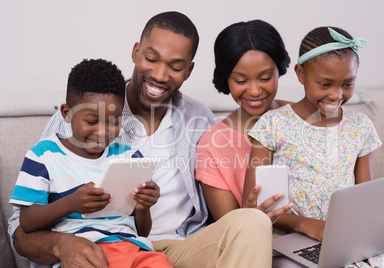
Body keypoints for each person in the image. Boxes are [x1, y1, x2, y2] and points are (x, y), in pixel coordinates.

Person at [8, 12, 279, 268]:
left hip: (180, 247)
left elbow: (252, 116)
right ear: (136, 52)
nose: (160, 75)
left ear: (189, 70)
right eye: (152, 59)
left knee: (252, 221)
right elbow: (19, 228)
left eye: (175, 66)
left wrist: (297, 108)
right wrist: (60, 245)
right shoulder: (79, 115)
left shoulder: (199, 119)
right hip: (99, 246)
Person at [244, 26, 384, 267]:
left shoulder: (360, 126)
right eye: (325, 84)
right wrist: (307, 224)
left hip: (346, 239)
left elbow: (367, 199)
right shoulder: (272, 125)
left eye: (347, 85)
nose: (336, 95)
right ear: (300, 74)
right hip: (290, 238)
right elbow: (253, 204)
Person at [9, 58, 173, 268]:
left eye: (114, 121)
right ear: (67, 113)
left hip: (133, 249)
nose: (103, 132)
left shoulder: (129, 157)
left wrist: (142, 208)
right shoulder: (43, 156)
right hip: (83, 255)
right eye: (92, 121)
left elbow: (142, 231)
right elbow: (27, 221)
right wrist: (70, 203)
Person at [195, 19, 293, 221]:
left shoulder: (301, 116)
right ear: (226, 79)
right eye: (241, 81)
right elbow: (229, 231)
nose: (255, 91)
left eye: (265, 78)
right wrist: (249, 218)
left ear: (279, 71)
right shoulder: (213, 145)